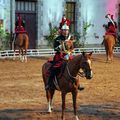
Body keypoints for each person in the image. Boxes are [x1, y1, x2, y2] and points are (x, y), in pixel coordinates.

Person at [46, 23, 84, 91]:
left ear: (68, 31)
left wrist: (70, 52)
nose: (65, 31)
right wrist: (61, 46)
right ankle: (49, 83)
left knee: (76, 67)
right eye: (64, 30)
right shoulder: (57, 39)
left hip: (69, 55)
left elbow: (72, 48)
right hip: (60, 55)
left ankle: (78, 84)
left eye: (66, 30)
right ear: (61, 31)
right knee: (54, 68)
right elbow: (55, 48)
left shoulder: (70, 38)